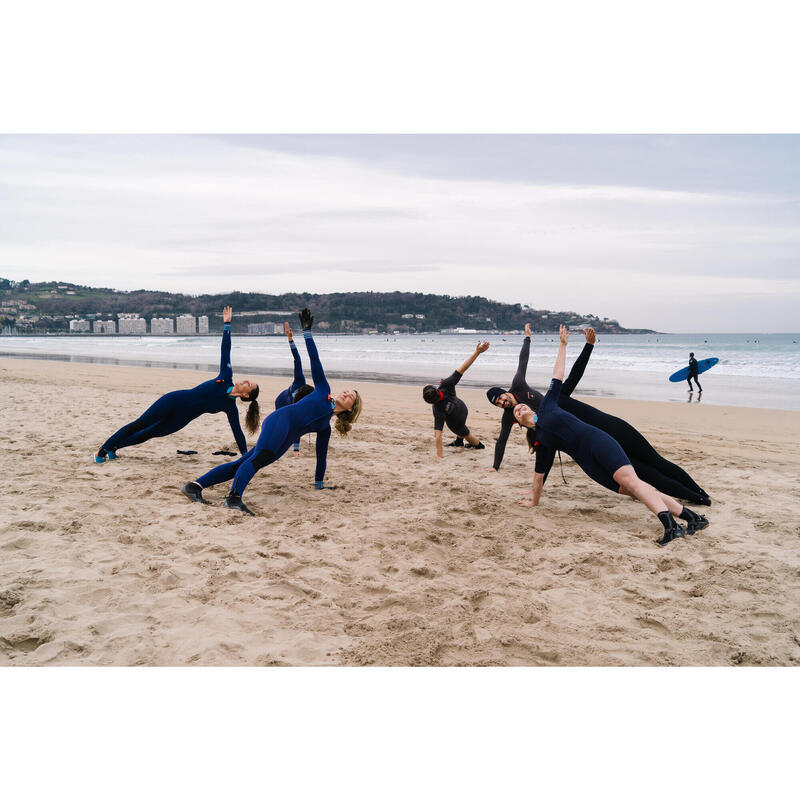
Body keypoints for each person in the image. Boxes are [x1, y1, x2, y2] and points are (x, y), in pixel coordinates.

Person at [516, 326, 709, 546]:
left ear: (531, 409)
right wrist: (534, 501)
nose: (519, 408)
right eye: (516, 411)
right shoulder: (541, 441)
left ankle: (671, 527)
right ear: (519, 423)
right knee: (634, 489)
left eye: (521, 406)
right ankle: (692, 518)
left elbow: (558, 374)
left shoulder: (548, 404)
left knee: (635, 482)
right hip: (589, 464)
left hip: (599, 442)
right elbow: (540, 474)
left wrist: (563, 345)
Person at [181, 308, 361, 515]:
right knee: (257, 460)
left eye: (351, 397)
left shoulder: (324, 428)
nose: (346, 394)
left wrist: (319, 483)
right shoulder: (323, 390)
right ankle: (233, 499)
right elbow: (315, 361)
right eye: (347, 391)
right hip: (280, 421)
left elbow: (321, 457)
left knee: (242, 462)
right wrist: (307, 333)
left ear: (350, 410)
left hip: (284, 436)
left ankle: (194, 486)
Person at [95, 306, 258, 462]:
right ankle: (103, 449)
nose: (244, 380)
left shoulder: (230, 407)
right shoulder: (226, 376)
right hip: (173, 400)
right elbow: (225, 350)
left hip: (180, 419)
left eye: (248, 383)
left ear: (245, 395)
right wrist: (227, 325)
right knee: (140, 424)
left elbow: (237, 432)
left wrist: (245, 456)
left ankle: (114, 447)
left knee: (148, 434)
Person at [423, 341, 490, 457]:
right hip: (462, 408)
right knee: (460, 426)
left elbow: (438, 435)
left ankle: (478, 445)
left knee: (464, 432)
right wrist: (477, 352)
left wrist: (439, 455)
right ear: (436, 388)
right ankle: (459, 442)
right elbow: (464, 367)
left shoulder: (438, 410)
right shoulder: (446, 384)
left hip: (455, 422)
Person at [274, 321, 314, 454]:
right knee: (283, 427)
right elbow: (297, 360)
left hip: (287, 403)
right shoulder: (300, 381)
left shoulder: (302, 406)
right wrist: (290, 339)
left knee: (294, 424)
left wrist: (296, 449)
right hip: (280, 402)